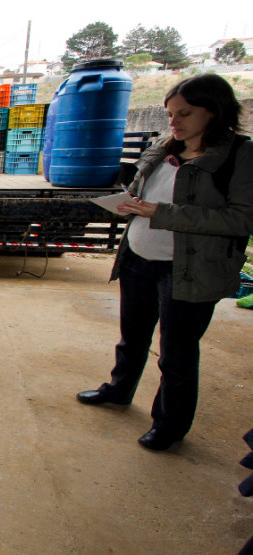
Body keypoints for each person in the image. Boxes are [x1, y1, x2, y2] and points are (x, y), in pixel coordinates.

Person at [75, 73, 253, 451]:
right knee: (132, 338)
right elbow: (144, 195)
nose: (174, 122)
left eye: (185, 113)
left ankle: (169, 425)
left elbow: (241, 219)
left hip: (188, 270)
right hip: (140, 257)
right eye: (171, 113)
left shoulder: (238, 155)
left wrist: (164, 212)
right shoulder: (164, 146)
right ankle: (120, 389)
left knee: (177, 354)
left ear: (215, 111)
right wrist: (130, 203)